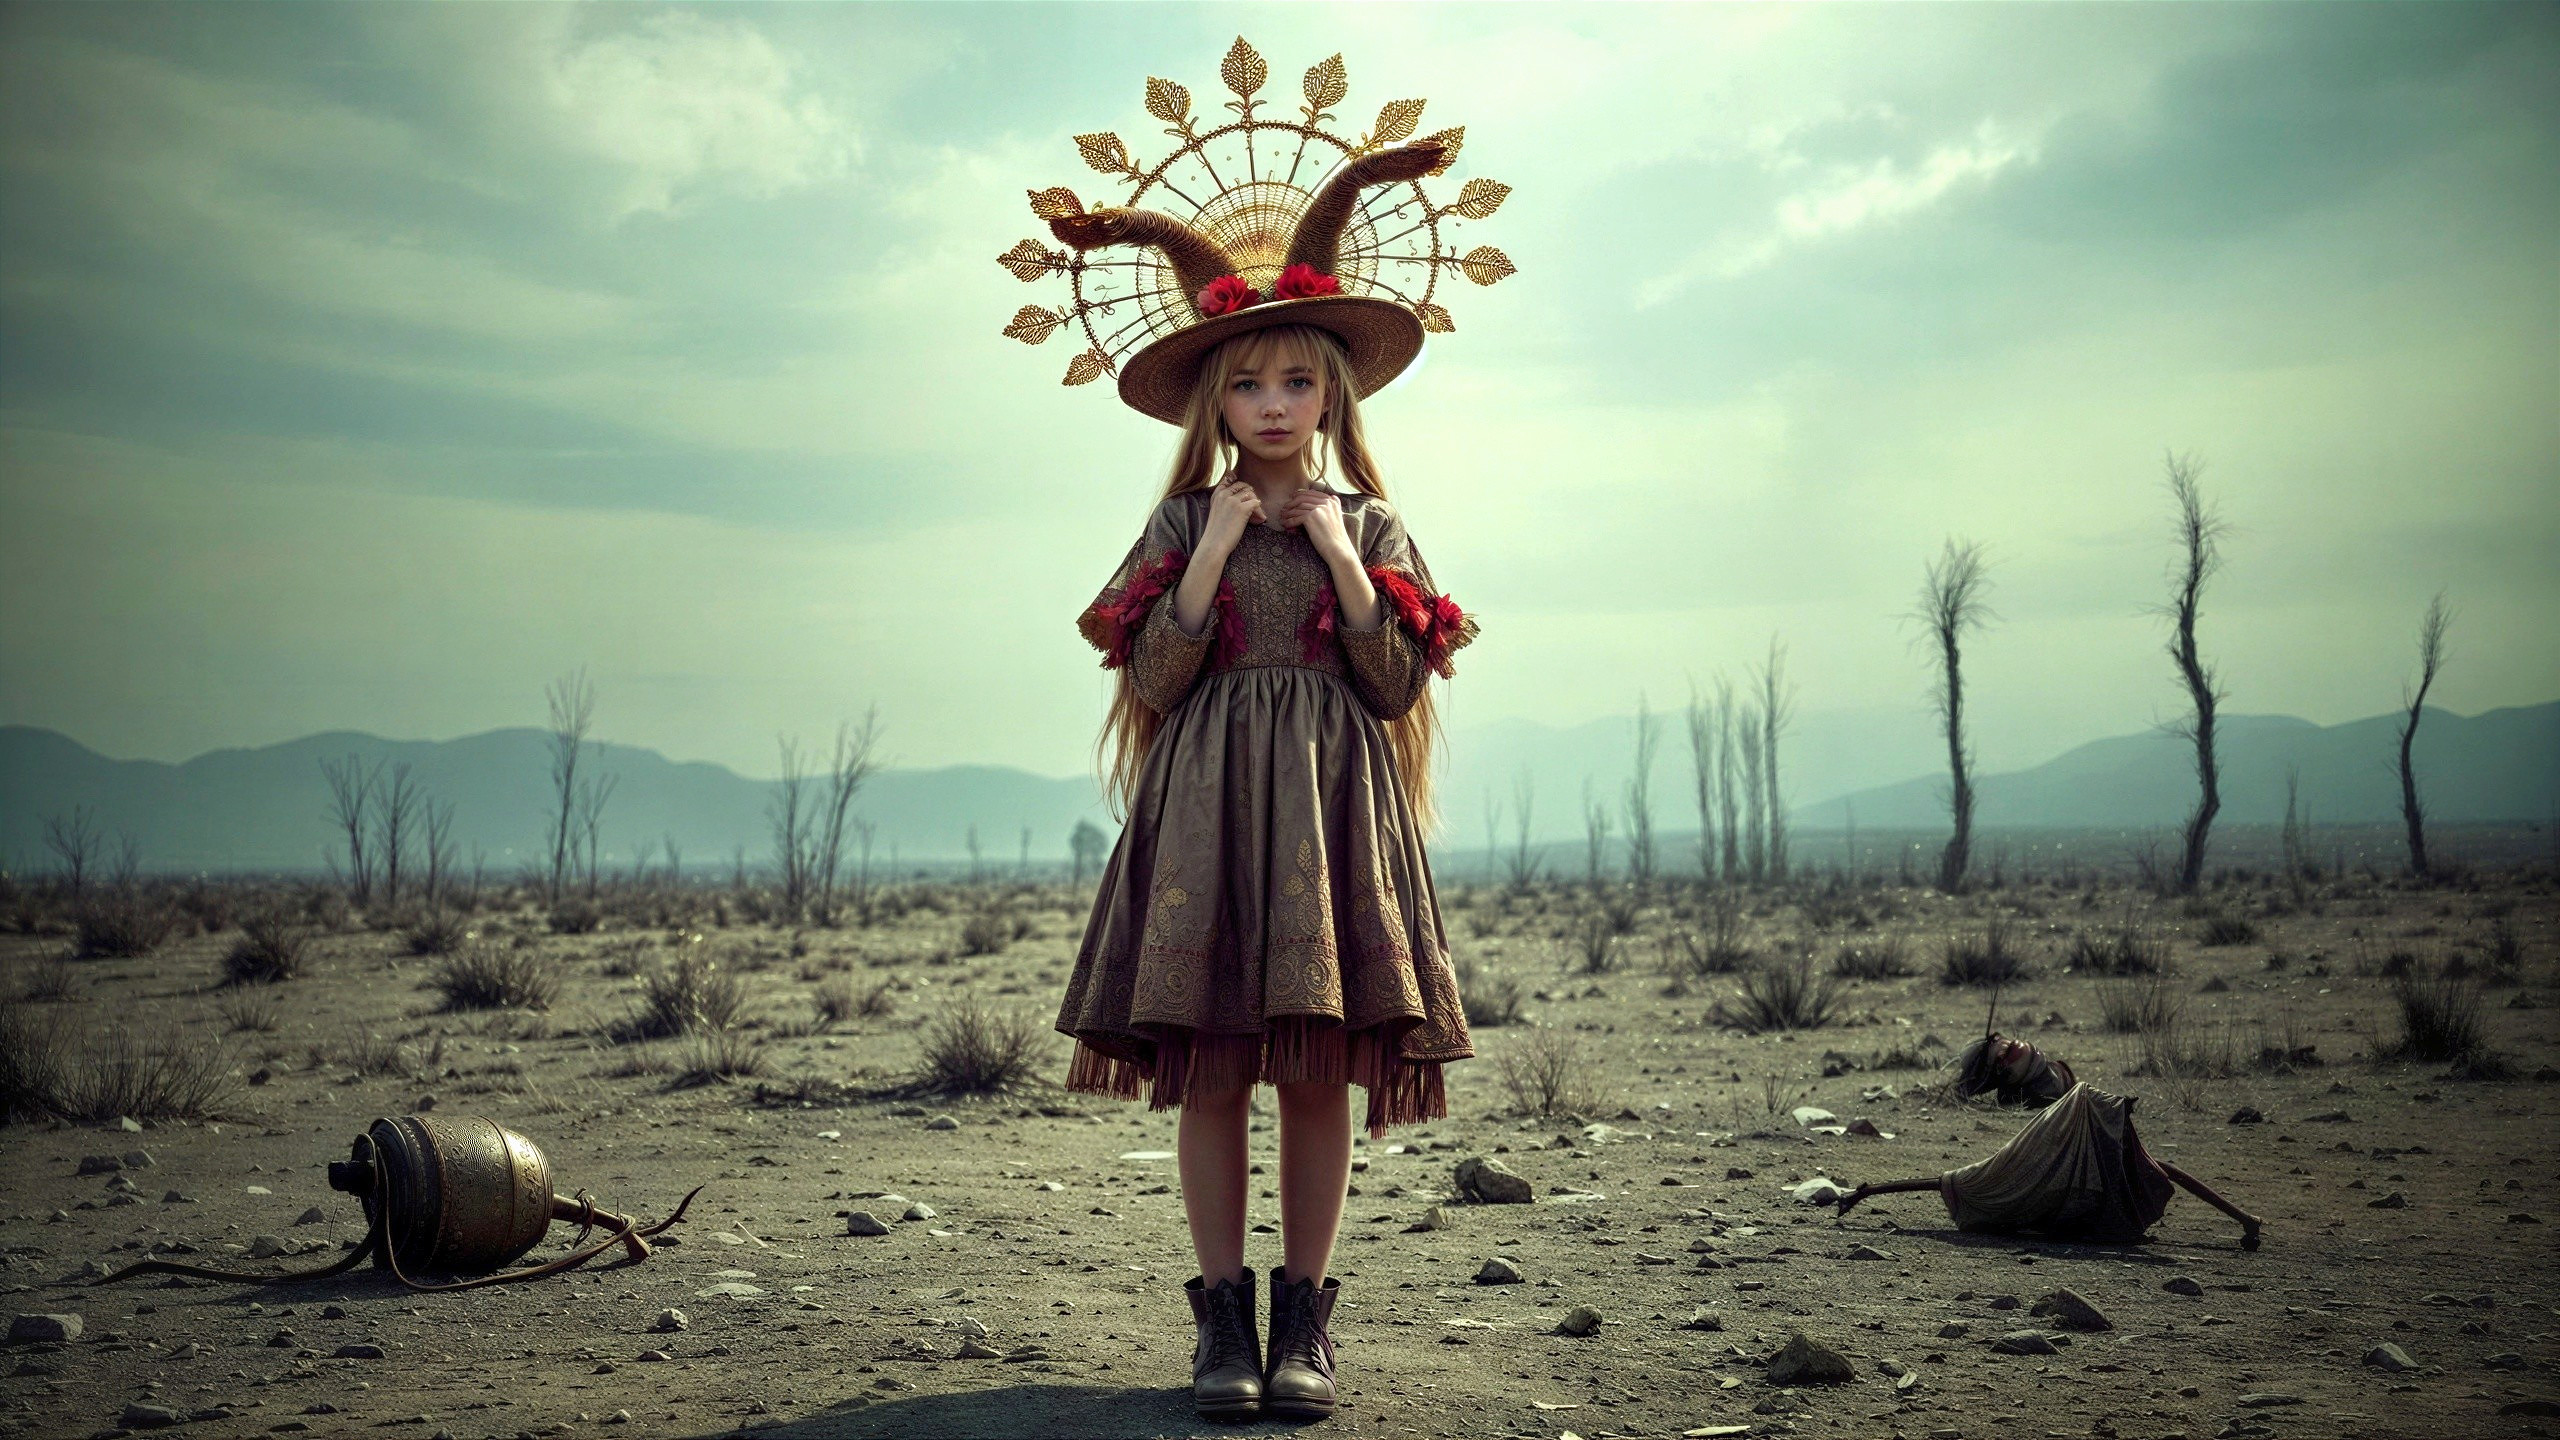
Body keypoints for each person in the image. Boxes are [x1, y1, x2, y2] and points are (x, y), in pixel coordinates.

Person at [1007, 46, 1511, 1424]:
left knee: (1315, 1076)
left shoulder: (1380, 524)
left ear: (1334, 396)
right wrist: (1218, 541)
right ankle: (1220, 1325)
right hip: (1209, 809)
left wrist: (1345, 561)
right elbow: (1157, 678)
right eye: (1248, 387)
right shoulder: (1183, 523)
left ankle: (1310, 1326)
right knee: (1216, 1072)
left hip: (1336, 812)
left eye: (1298, 382)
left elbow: (1399, 684)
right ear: (1214, 405)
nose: (1275, 405)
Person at [1832, 1037, 2265, 1249]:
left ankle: (2245, 1219)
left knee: (2159, 1166)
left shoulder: (2060, 1079)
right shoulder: (2032, 1106)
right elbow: (1995, 1172)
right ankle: (2244, 1220)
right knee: (2158, 1166)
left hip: (2099, 1128)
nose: (2007, 1049)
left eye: (2000, 1043)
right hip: (2088, 1153)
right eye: (1998, 1060)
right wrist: (1872, 1191)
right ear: (2000, 1080)